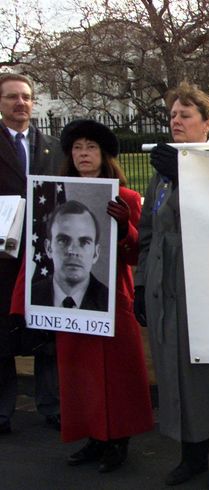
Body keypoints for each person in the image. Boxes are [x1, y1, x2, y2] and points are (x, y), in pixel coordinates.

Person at [11, 119, 153, 472]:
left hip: (110, 302)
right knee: (80, 377)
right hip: (70, 308)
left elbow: (137, 254)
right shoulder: (53, 195)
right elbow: (36, 253)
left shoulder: (127, 197)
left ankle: (117, 440)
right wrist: (23, 305)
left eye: (91, 147)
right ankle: (93, 437)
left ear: (103, 155)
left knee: (117, 376)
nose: (84, 154)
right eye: (77, 148)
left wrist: (125, 227)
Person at [134, 81, 209, 489]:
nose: (176, 121)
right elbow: (148, 231)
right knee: (176, 372)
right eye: (172, 115)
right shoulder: (164, 171)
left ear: (208, 122)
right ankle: (191, 455)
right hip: (166, 288)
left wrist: (189, 177)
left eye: (185, 114)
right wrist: (140, 285)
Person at [0, 73, 61, 434]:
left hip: (44, 254)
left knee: (46, 333)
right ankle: (3, 411)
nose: (19, 103)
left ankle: (52, 405)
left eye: (25, 97)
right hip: (3, 258)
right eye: (11, 97)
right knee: (3, 334)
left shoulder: (52, 145)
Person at [30, 200, 109, 311]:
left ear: (96, 253)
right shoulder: (30, 297)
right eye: (63, 240)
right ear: (48, 248)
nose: (73, 251)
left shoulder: (109, 302)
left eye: (84, 242)